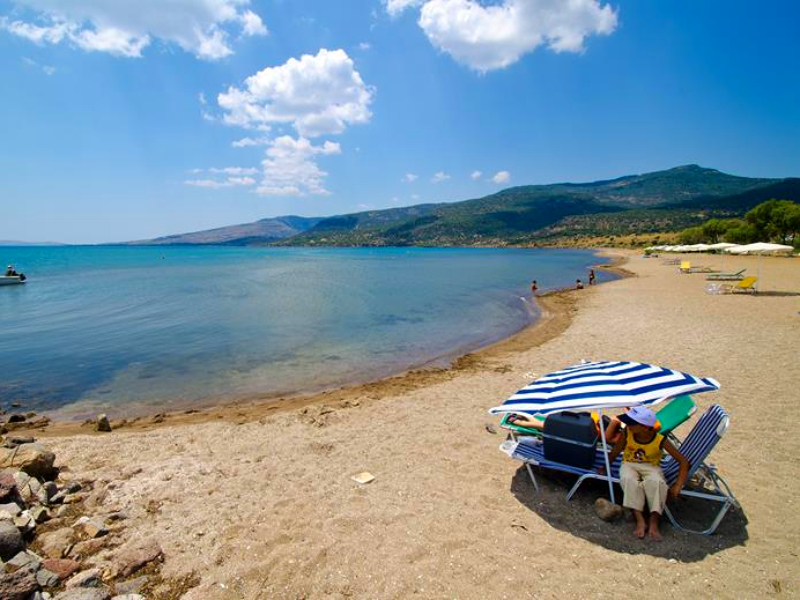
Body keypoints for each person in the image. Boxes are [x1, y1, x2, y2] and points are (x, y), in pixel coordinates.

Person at [598, 406, 689, 541]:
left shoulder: (660, 440)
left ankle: (654, 522)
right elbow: (616, 451)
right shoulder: (627, 433)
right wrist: (606, 466)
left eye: (631, 423)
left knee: (657, 483)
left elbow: (683, 462)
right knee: (628, 480)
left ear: (645, 427)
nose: (628, 425)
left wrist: (678, 485)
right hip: (629, 464)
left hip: (651, 466)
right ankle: (640, 520)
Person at [506, 411, 624, 445]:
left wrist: (615, 423)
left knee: (547, 426)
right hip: (587, 421)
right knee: (547, 425)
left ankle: (519, 422)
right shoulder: (625, 428)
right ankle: (526, 418)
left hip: (584, 430)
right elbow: (612, 418)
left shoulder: (622, 438)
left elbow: (607, 439)